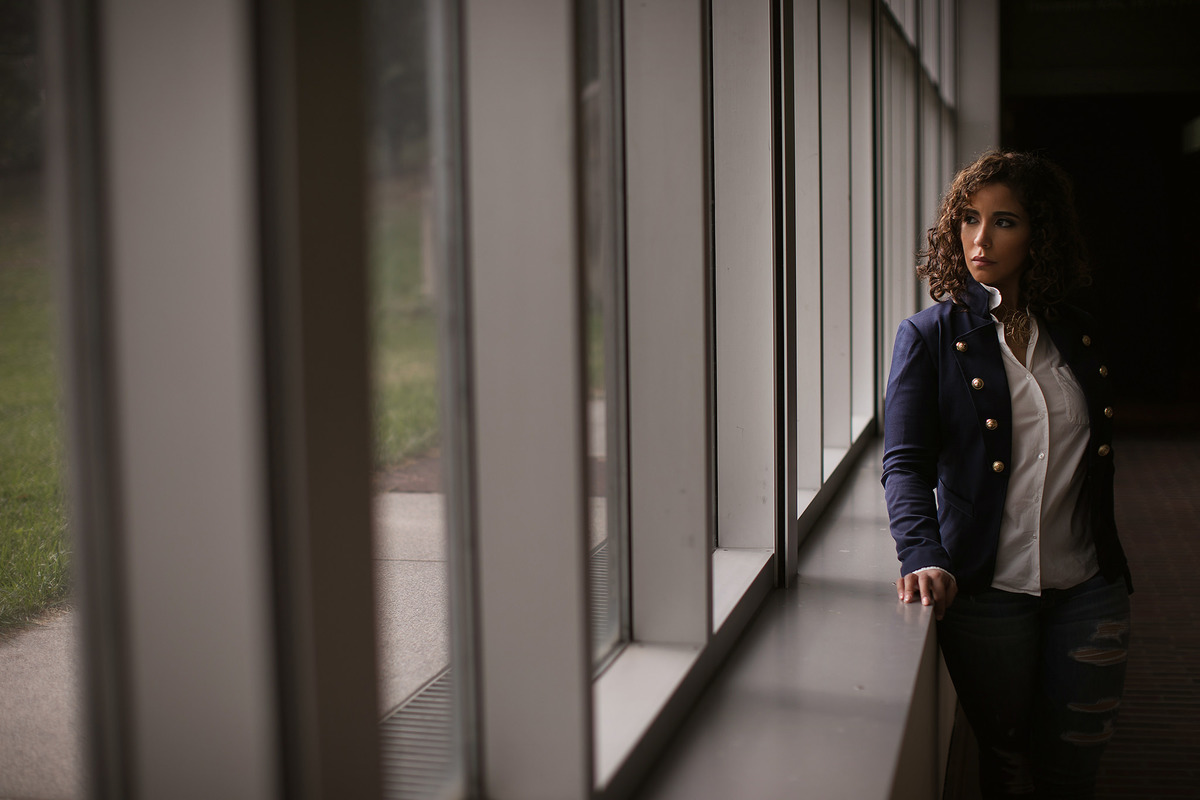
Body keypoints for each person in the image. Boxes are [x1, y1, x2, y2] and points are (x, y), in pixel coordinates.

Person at [882, 150, 1133, 799]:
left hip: (1089, 586)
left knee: (1076, 765)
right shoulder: (930, 337)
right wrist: (921, 553)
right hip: (988, 592)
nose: (979, 238)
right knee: (1010, 765)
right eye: (968, 218)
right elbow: (905, 463)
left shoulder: (1076, 335)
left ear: (1039, 234)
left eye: (1004, 221)